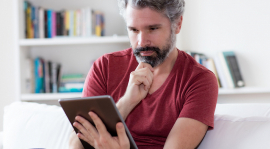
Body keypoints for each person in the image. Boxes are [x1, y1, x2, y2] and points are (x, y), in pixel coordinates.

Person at [69, 0, 218, 149]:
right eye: (133, 30)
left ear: (177, 24)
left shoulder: (200, 81)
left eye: (152, 29)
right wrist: (126, 102)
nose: (141, 42)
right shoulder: (105, 67)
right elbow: (76, 145)